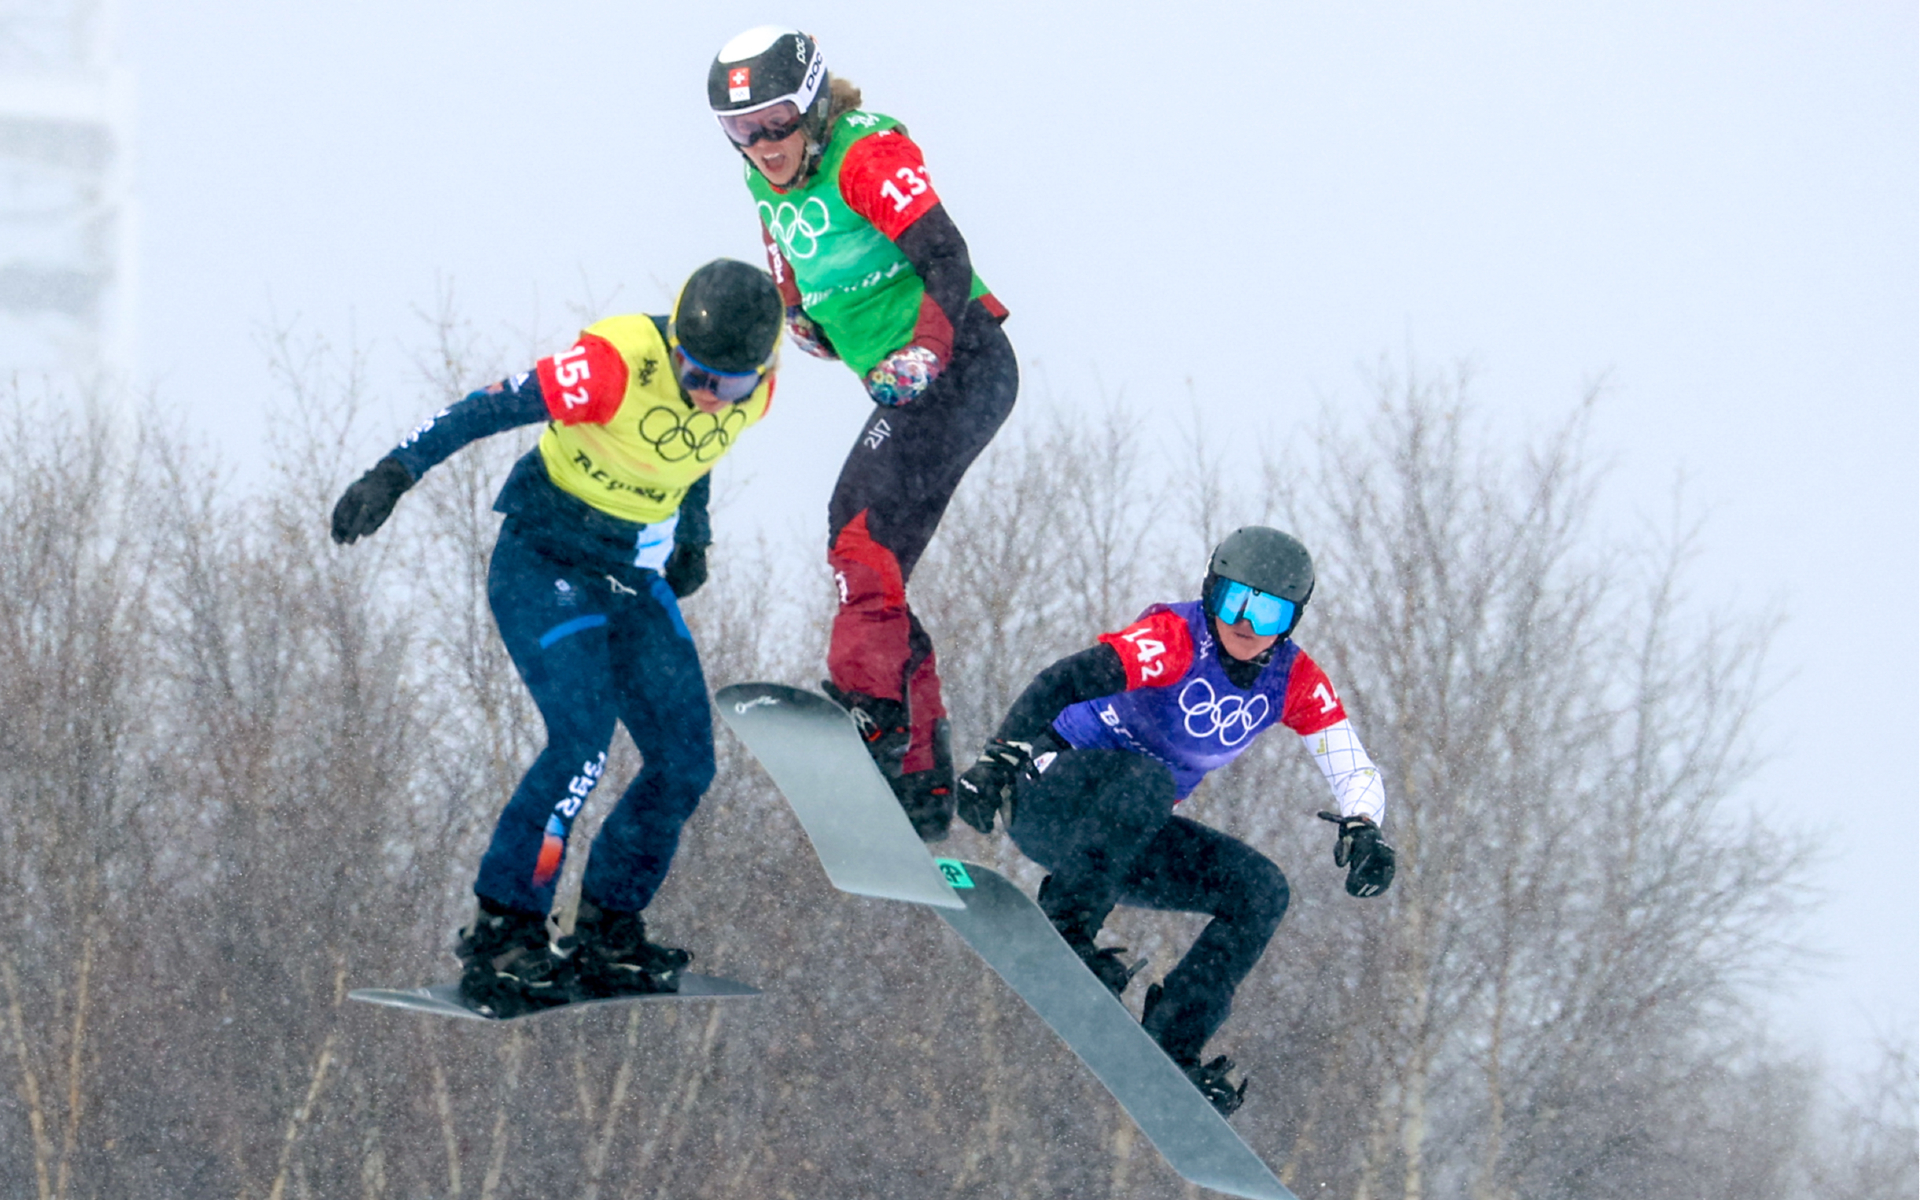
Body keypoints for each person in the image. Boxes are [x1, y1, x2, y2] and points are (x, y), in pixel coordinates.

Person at [328, 259, 784, 1018]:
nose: (709, 398)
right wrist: (393, 474)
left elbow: (697, 450)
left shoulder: (752, 393)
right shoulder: (612, 367)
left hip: (631, 574)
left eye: (729, 385)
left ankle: (609, 925)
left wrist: (694, 535)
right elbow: (486, 407)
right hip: (545, 558)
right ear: (674, 346)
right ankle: (506, 923)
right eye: (696, 376)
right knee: (581, 740)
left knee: (685, 762)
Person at [953, 527, 1397, 1114]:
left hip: (1118, 845)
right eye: (1232, 599)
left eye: (1267, 610)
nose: (1244, 620)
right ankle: (1066, 927)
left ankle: (1172, 1040)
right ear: (1210, 591)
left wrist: (1364, 827)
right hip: (1049, 798)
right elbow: (1064, 678)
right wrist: (997, 758)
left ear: (1290, 620)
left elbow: (1352, 766)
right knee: (1147, 779)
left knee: (1260, 890)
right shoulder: (1177, 640)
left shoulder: (1292, 680)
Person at [707, 26, 1019, 841]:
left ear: (811, 102)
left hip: (963, 361)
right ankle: (921, 782)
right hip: (921, 380)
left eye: (776, 121)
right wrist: (799, 308)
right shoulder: (762, 175)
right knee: (875, 574)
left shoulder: (863, 158)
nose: (762, 144)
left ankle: (871, 720)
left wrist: (926, 347)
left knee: (857, 537)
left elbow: (946, 256)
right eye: (740, 129)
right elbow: (781, 238)